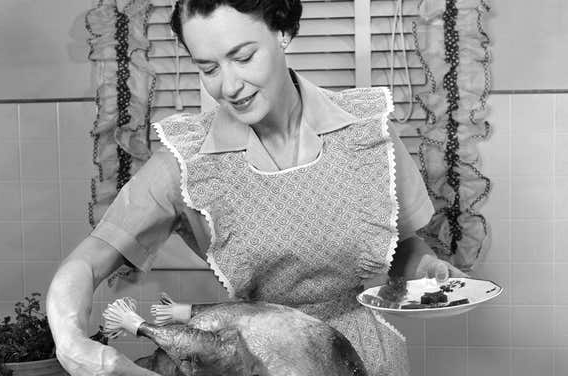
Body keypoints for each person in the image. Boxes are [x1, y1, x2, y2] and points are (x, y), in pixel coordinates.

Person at [46, 1, 467, 375]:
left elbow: (404, 248)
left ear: (282, 32)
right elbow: (88, 261)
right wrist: (69, 342)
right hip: (262, 360)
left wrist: (427, 271)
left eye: (243, 57)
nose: (228, 87)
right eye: (208, 68)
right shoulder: (186, 160)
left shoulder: (366, 131)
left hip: (371, 359)